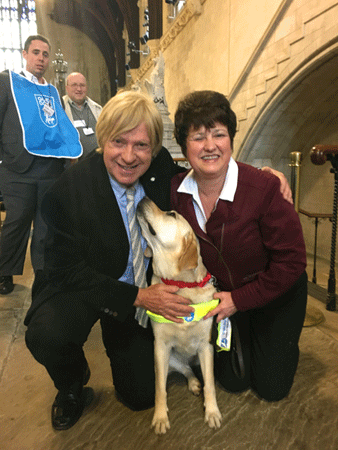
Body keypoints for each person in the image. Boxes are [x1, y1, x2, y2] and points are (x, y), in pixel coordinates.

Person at [24, 90, 294, 431]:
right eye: (118, 142)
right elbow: (64, 271)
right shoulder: (69, 190)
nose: (128, 156)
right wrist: (135, 297)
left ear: (154, 148)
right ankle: (71, 383)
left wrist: (268, 176)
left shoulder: (159, 168)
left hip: (145, 293)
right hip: (88, 286)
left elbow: (208, 172)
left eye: (141, 145)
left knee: (139, 397)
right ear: (102, 140)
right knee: (47, 334)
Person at [170, 90, 308, 402]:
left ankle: (278, 340)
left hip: (276, 294)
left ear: (231, 139)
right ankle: (244, 332)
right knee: (233, 381)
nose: (209, 146)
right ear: (184, 145)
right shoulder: (176, 193)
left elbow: (292, 263)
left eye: (218, 134)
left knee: (272, 388)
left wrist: (239, 299)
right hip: (225, 299)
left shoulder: (263, 187)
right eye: (198, 137)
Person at [0, 35, 82, 295]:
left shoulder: (52, 91)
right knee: (17, 223)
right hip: (17, 168)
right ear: (25, 54)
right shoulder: (8, 83)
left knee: (46, 227)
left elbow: (58, 125)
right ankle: (4, 272)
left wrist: (71, 150)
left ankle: (44, 274)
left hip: (50, 169)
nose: (41, 58)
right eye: (36, 52)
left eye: (45, 54)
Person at [63, 72, 102, 160]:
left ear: (86, 88)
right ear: (67, 88)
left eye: (82, 85)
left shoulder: (97, 108)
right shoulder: (60, 108)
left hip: (98, 161)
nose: (79, 89)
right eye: (74, 85)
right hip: (72, 164)